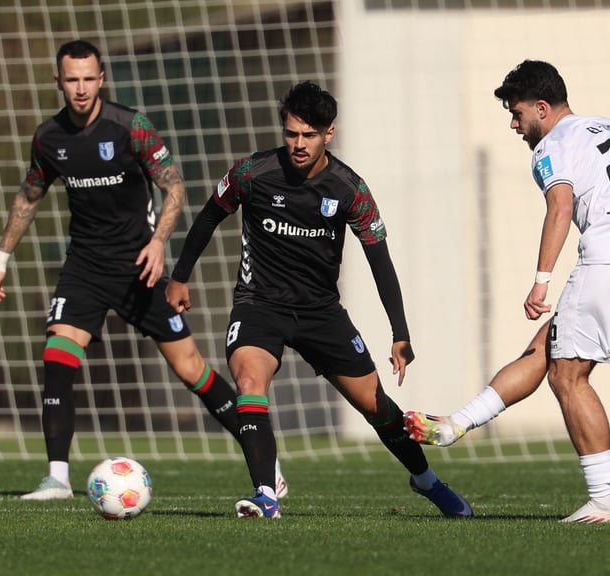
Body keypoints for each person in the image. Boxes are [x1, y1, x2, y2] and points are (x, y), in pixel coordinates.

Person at [0, 39, 287, 500]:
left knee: (192, 371)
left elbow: (175, 187)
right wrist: (1, 259)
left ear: (101, 79)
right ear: (58, 81)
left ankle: (268, 463)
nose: (81, 88)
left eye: (89, 78)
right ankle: (58, 478)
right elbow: (29, 196)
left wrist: (159, 242)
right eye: (71, 79)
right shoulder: (49, 138)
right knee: (57, 355)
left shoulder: (131, 127)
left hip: (138, 267)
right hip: (84, 265)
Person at [165, 80, 473, 520]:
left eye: (309, 135)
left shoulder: (350, 189)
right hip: (259, 304)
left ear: (329, 133)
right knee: (250, 382)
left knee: (376, 406)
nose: (298, 144)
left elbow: (379, 260)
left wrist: (399, 332)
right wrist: (179, 278)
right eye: (291, 133)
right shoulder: (252, 173)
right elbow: (210, 215)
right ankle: (265, 496)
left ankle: (426, 481)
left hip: (320, 313)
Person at [405, 60, 610, 523]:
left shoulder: (553, 144)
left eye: (517, 114)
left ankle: (606, 499)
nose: (514, 126)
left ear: (542, 107)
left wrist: (541, 280)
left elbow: (560, 206)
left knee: (567, 377)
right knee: (547, 348)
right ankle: (459, 423)